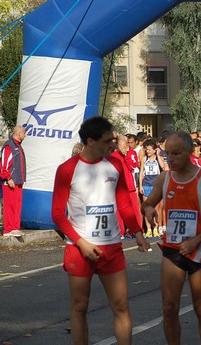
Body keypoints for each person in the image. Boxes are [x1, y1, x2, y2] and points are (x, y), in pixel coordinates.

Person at [51, 116, 150, 345]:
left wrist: (137, 232)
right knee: (79, 308)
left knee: (121, 305)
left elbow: (124, 202)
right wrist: (81, 242)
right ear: (90, 141)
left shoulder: (115, 164)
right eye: (108, 141)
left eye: (114, 140)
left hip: (112, 247)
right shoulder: (67, 169)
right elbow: (57, 214)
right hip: (79, 248)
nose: (113, 145)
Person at [142, 131, 201, 345]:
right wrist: (149, 209)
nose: (170, 159)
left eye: (176, 154)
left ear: (190, 152)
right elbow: (147, 203)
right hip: (172, 249)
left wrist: (196, 240)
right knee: (169, 308)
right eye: (167, 154)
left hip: (199, 250)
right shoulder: (165, 178)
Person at [1, 126, 26, 237]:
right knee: (9, 205)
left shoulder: (18, 146)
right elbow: (4, 165)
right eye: (24, 133)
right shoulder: (9, 146)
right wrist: (8, 178)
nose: (25, 135)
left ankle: (15, 228)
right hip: (10, 181)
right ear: (19, 133)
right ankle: (8, 229)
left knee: (17, 205)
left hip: (18, 181)